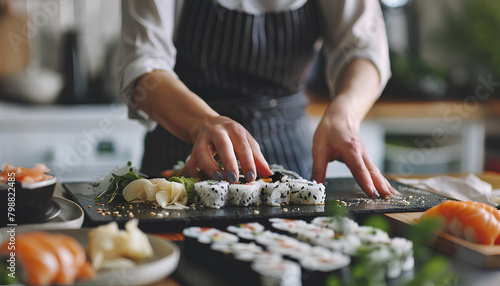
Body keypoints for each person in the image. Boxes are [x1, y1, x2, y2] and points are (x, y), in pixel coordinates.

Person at [116, 0, 397, 198]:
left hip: (290, 158)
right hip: (182, 159)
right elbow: (143, 64)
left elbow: (365, 49)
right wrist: (204, 122)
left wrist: (344, 115)